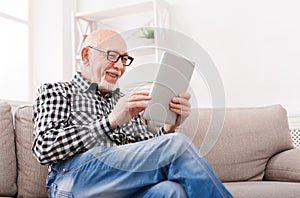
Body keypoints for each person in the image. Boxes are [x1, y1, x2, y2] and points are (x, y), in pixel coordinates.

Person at [32, 29, 232, 198]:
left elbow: (145, 151)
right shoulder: (57, 91)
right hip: (72, 180)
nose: (119, 66)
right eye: (112, 56)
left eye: (124, 59)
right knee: (177, 144)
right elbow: (44, 148)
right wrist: (110, 121)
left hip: (123, 183)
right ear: (86, 56)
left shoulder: (126, 101)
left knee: (172, 191)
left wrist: (168, 128)